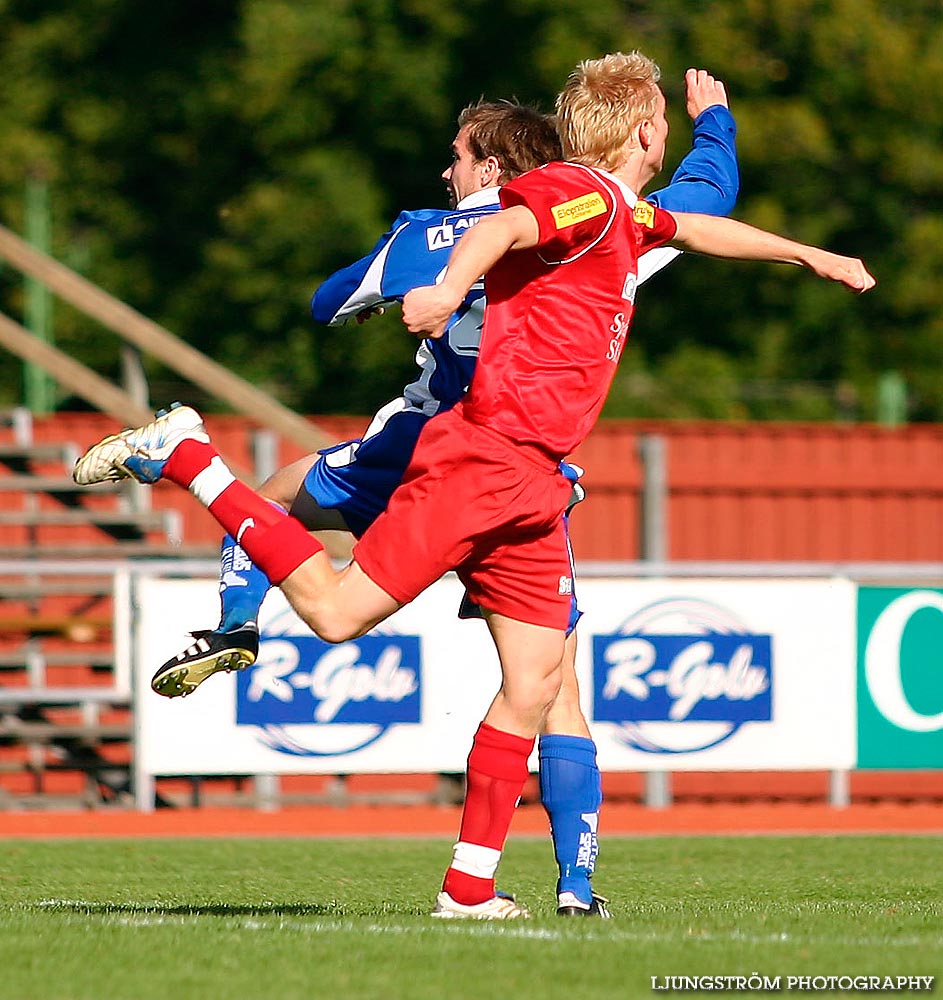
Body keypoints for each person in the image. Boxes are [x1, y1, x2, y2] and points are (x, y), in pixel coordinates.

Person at [73, 49, 873, 920]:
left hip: (534, 479)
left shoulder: (617, 208)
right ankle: (187, 453)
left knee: (535, 679)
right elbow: (505, 228)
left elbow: (696, 224)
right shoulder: (574, 192)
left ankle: (470, 890)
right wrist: (449, 281)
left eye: (457, 155)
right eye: (667, 129)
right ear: (647, 133)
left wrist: (806, 253)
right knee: (339, 614)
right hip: (484, 456)